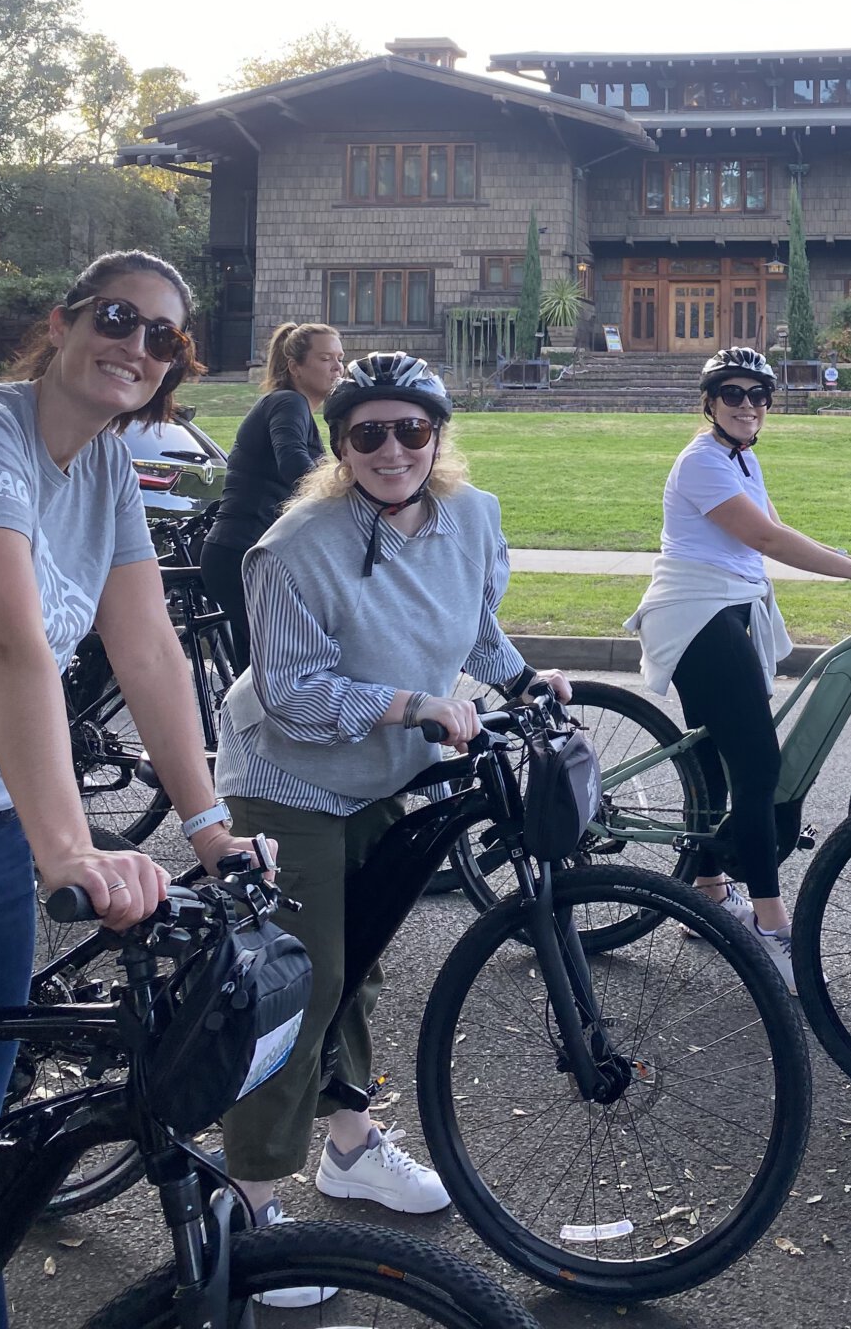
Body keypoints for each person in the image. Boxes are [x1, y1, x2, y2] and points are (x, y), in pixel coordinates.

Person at [0, 252, 268, 1329]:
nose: (137, 344)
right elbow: (8, 645)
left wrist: (210, 825)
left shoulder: (110, 470)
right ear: (64, 319)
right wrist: (71, 850)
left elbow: (152, 651)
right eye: (119, 317)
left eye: (163, 335)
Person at [213, 351, 570, 1291]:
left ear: (437, 436)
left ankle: (348, 1143)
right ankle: (246, 1210)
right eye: (366, 432)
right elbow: (289, 693)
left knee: (357, 970)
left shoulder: (472, 518)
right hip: (283, 780)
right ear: (340, 445)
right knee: (303, 984)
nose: (392, 449)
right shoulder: (292, 545)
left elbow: (475, 632)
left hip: (379, 779)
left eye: (412, 428)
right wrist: (413, 705)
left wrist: (523, 677)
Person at [625, 345, 851, 993]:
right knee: (757, 764)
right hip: (696, 613)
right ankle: (769, 924)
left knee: (717, 763)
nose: (749, 405)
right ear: (709, 402)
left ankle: (705, 893)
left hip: (727, 611)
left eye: (760, 394)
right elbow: (767, 542)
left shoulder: (742, 459)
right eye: (734, 393)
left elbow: (773, 530)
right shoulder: (701, 461)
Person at [200, 322, 346, 674]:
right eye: (326, 358)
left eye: (340, 358)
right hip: (242, 553)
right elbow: (294, 463)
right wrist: (345, 500)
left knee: (266, 668)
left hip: (249, 553)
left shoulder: (296, 408)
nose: (338, 367)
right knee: (266, 675)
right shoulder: (288, 401)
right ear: (295, 367)